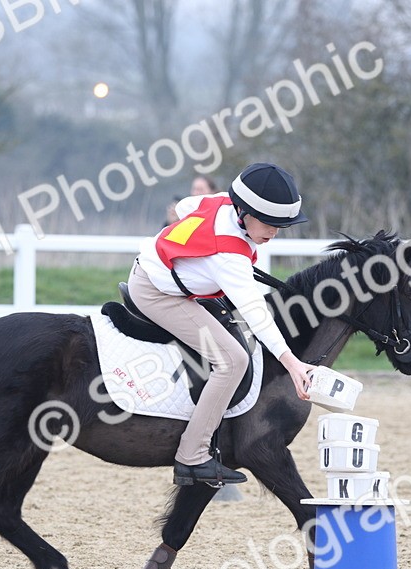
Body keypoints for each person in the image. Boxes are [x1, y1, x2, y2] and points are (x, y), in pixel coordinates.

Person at [128, 162, 315, 486]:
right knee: (233, 359)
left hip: (163, 278)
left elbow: (188, 206)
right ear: (243, 212)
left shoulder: (220, 203)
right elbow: (256, 312)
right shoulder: (229, 256)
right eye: (269, 223)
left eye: (280, 226)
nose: (273, 232)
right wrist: (292, 363)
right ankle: (192, 457)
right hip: (157, 294)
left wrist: (193, 252)